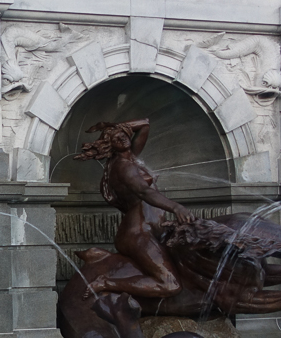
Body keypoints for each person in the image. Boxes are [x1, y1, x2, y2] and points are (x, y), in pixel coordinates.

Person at [74, 119, 193, 300]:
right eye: (115, 139)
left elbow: (145, 124)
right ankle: (106, 282)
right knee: (170, 284)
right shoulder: (123, 167)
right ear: (110, 147)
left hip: (152, 228)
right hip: (138, 233)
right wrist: (176, 207)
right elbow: (143, 192)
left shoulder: (131, 157)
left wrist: (113, 126)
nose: (121, 138)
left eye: (122, 134)